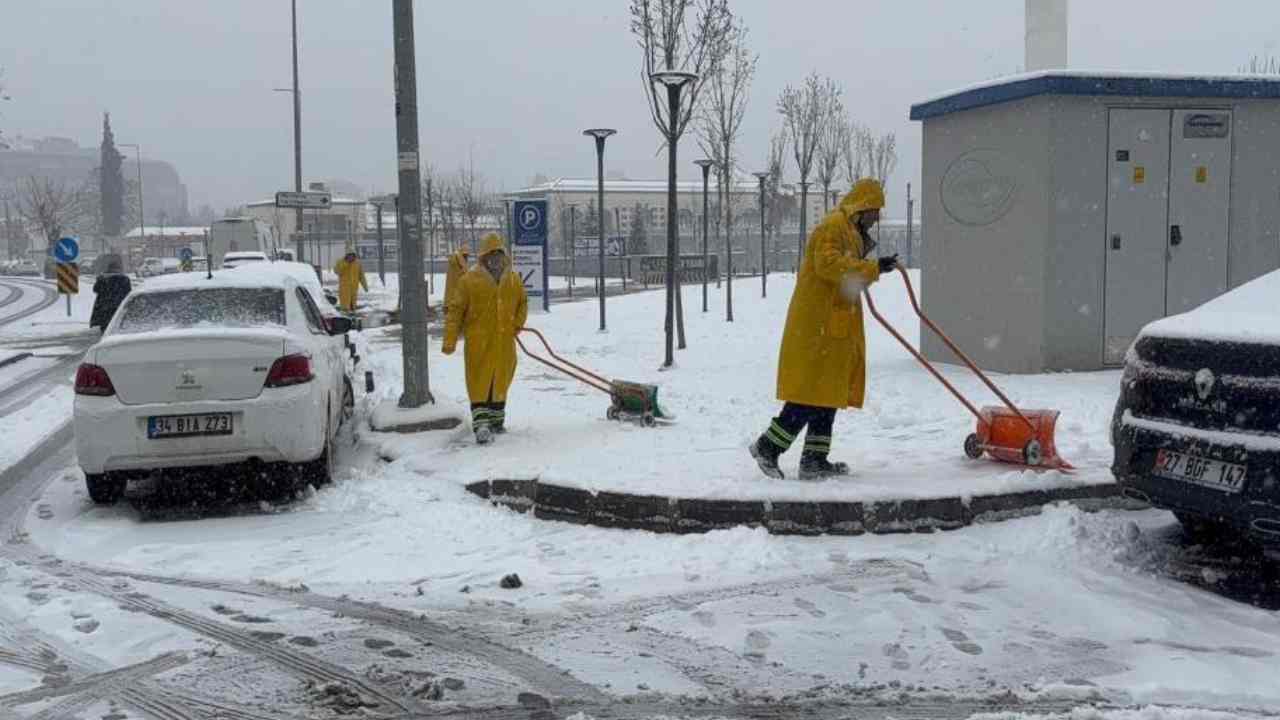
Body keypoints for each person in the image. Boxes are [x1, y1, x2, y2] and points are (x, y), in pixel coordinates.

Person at [749, 178, 899, 481]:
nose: (877, 218)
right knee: (811, 392)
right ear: (862, 207)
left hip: (834, 324)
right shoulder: (833, 226)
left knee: (829, 392)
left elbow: (844, 273)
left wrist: (871, 268)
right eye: (875, 211)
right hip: (818, 325)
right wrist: (872, 268)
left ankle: (814, 459)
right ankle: (768, 446)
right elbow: (827, 265)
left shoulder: (850, 231)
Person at [443, 234, 528, 445]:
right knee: (479, 382)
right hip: (478, 343)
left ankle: (497, 422)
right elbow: (455, 311)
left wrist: (516, 325)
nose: (495, 260)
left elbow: (522, 303)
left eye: (499, 255)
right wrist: (450, 339)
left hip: (504, 343)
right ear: (483, 257)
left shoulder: (513, 280)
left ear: (504, 256)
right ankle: (481, 425)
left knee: (501, 381)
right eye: (491, 255)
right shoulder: (469, 281)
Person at [89, 257, 132, 332]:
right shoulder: (124, 279)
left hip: (104, 308)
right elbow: (129, 292)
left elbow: (95, 289)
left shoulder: (103, 278)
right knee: (119, 327)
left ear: (108, 269)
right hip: (119, 307)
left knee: (105, 328)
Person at [442, 245, 471, 317]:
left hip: (453, 297)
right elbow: (464, 274)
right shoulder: (458, 261)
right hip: (455, 297)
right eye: (465, 255)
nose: (466, 257)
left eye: (467, 255)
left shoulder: (457, 262)